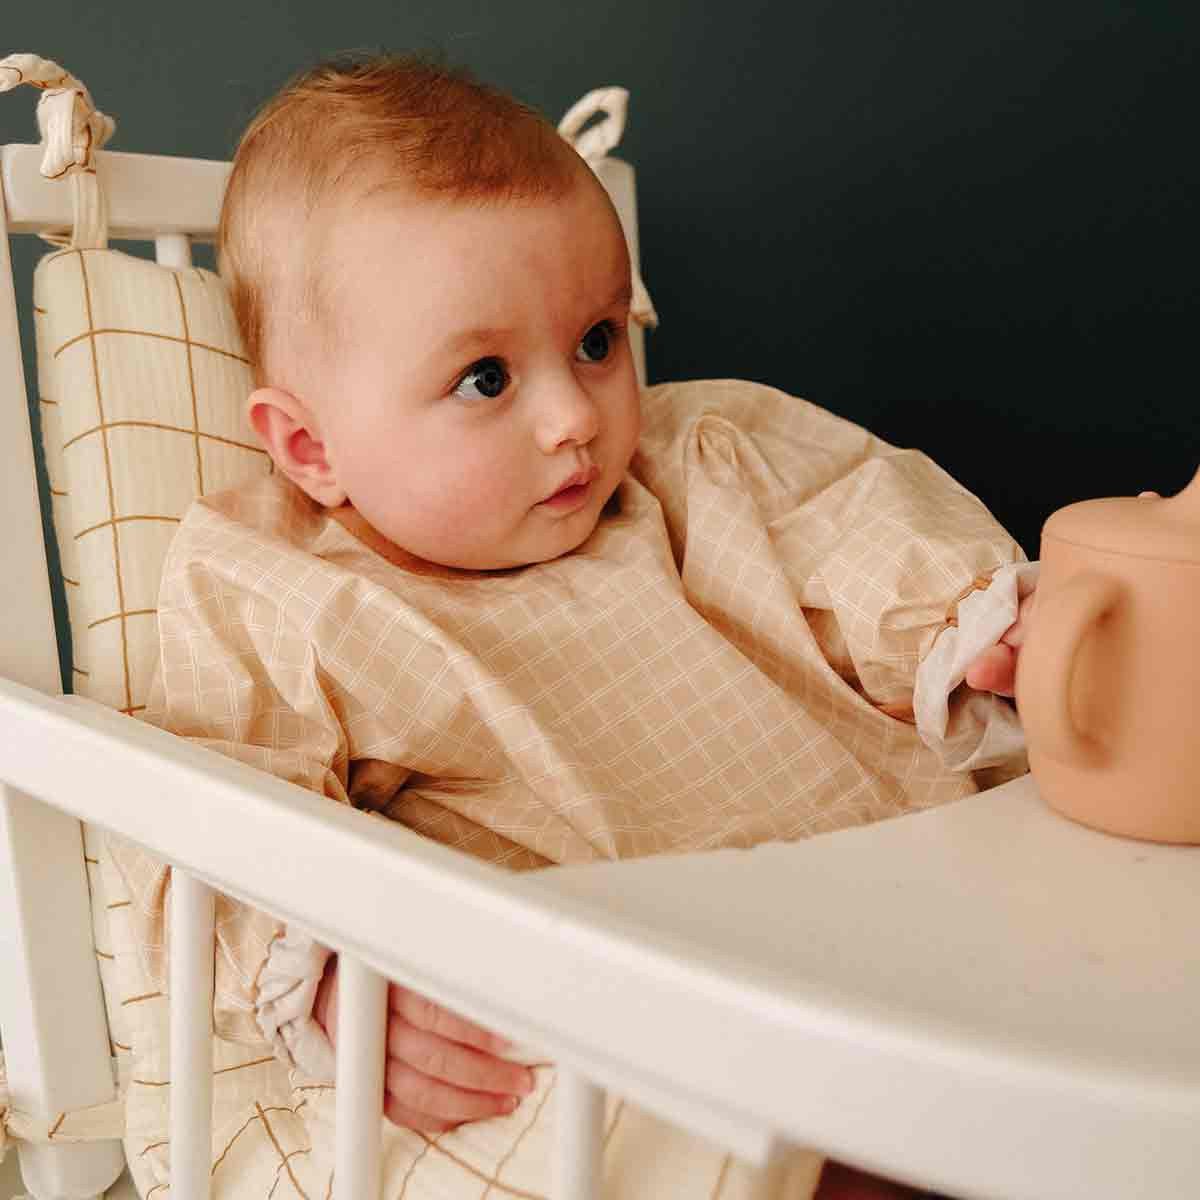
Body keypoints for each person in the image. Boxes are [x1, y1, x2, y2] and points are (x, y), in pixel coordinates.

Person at [125, 53, 1034, 1200]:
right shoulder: (281, 588)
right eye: (485, 378)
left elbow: (854, 519)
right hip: (647, 1011)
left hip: (911, 915)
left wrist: (977, 621)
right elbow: (215, 813)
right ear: (311, 449)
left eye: (598, 341)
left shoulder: (697, 465)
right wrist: (317, 969)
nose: (574, 418)